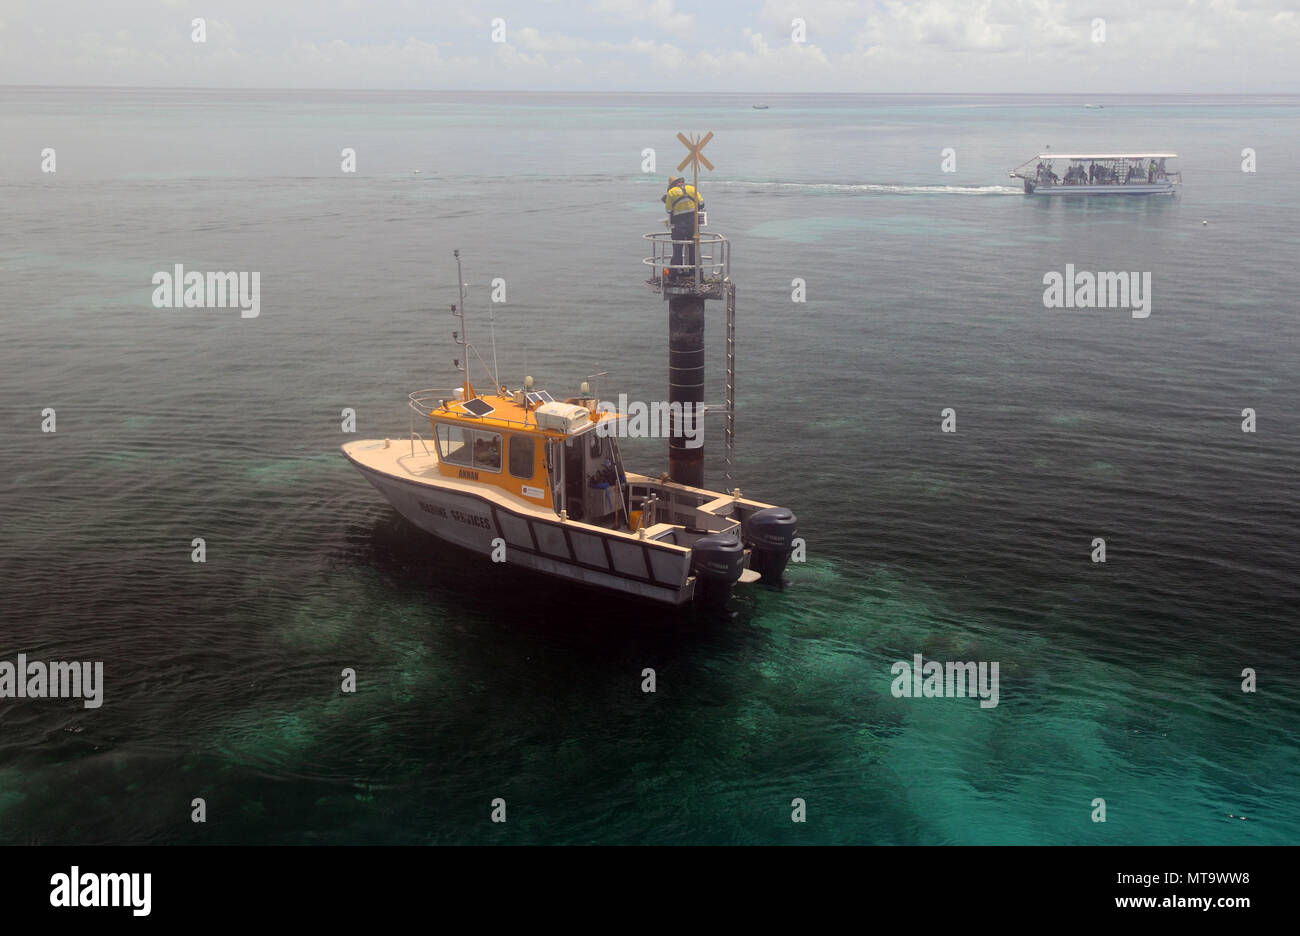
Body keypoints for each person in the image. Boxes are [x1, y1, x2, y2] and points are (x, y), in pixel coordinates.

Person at [661, 176, 703, 273]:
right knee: (694, 249)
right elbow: (701, 204)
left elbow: (668, 210)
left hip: (678, 226)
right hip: (693, 225)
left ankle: (674, 273)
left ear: (671, 185)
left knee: (677, 250)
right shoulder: (692, 188)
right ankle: (696, 274)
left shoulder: (671, 193)